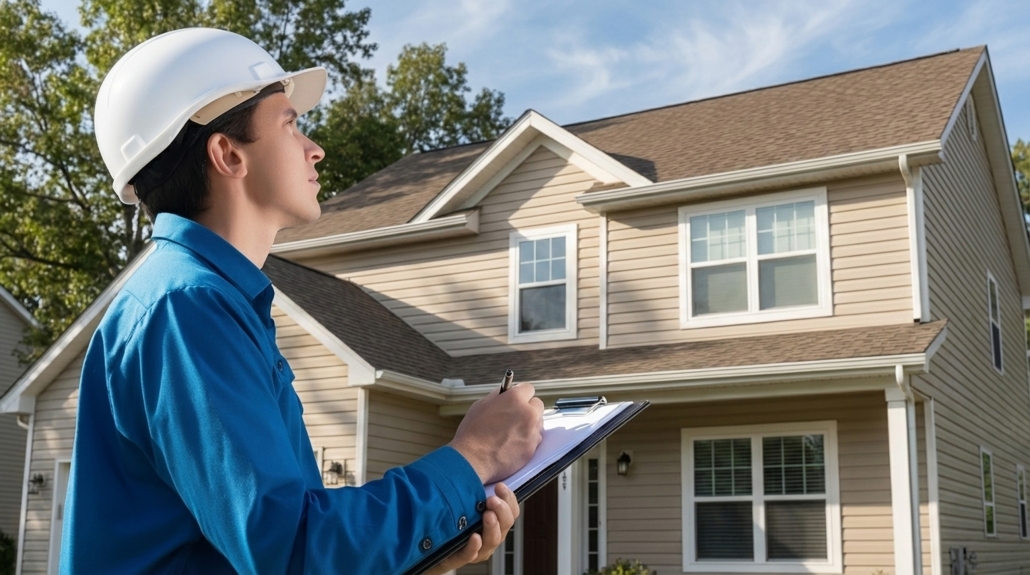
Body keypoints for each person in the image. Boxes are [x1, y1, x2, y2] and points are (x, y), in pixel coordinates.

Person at [61, 27, 544, 574]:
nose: (316, 148)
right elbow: (292, 551)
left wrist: (422, 559)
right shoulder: (186, 308)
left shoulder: (207, 302)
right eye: (290, 124)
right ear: (227, 154)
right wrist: (473, 457)